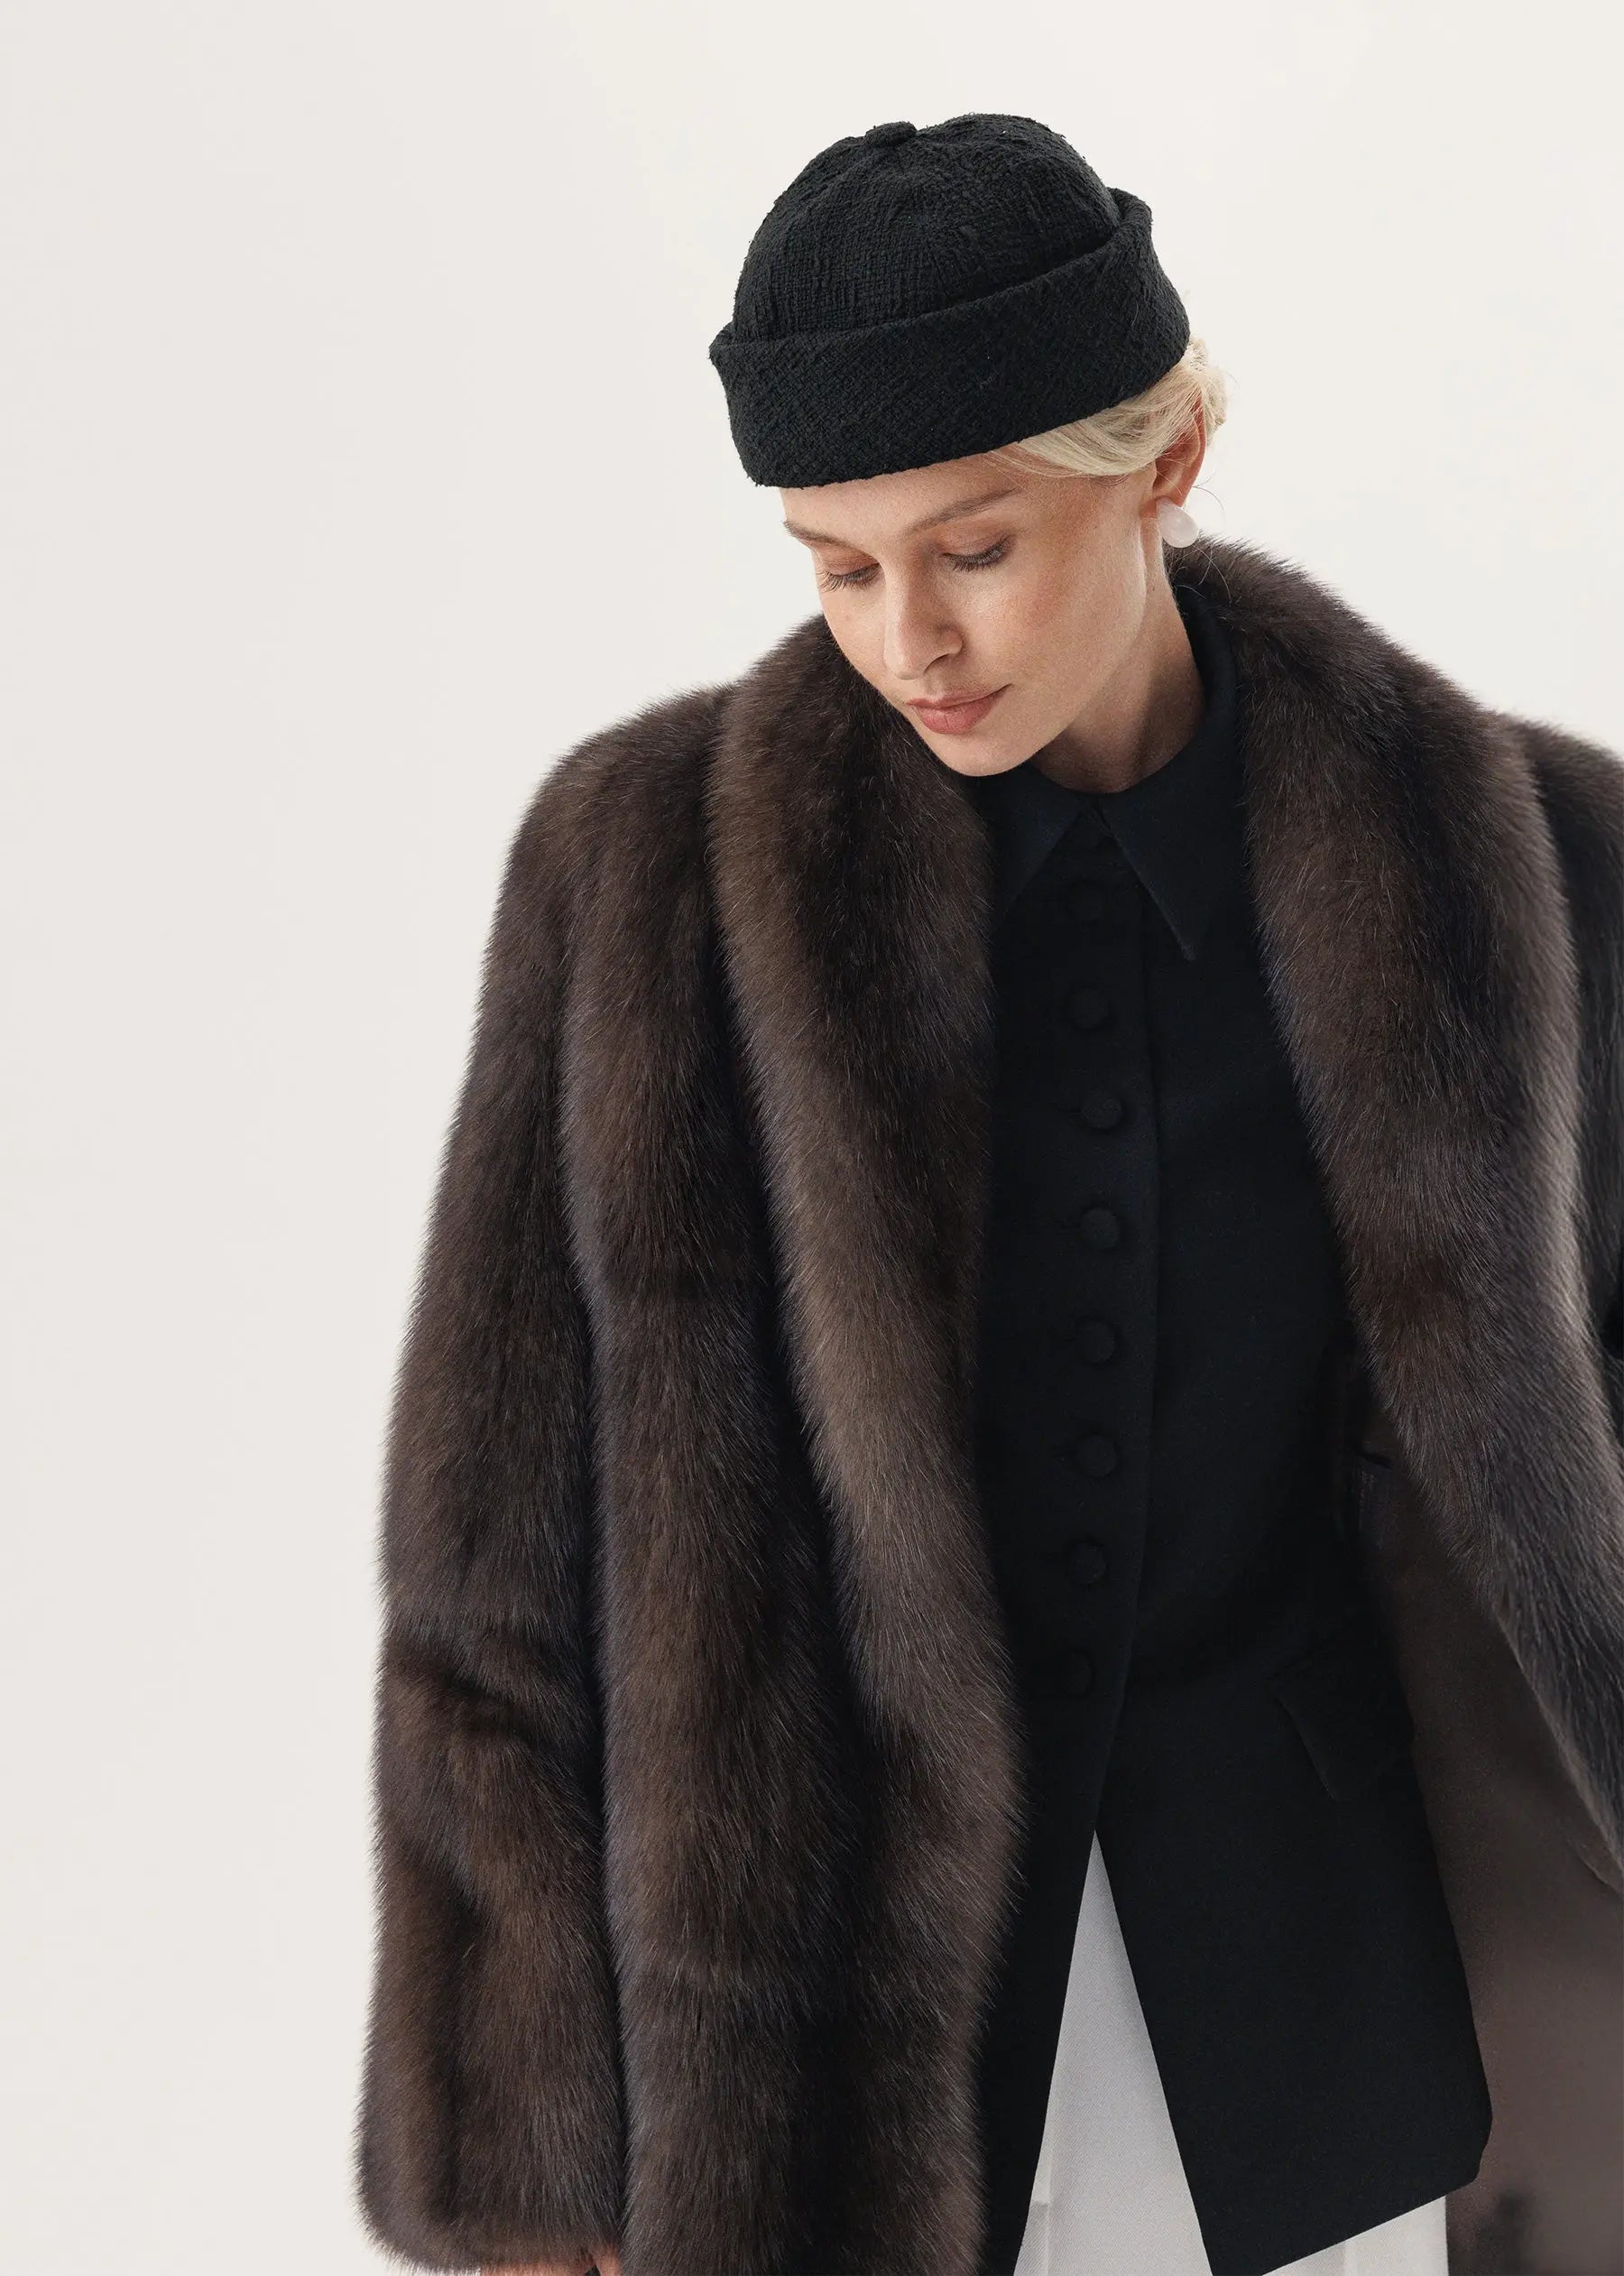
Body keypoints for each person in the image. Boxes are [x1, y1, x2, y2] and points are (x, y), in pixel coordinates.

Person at [354, 116, 1624, 2276]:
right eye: (837, 567)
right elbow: (492, 1566)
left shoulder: (1525, 869)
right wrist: (515, 2155)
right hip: (818, 2046)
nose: (910, 639)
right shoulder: (643, 886)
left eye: (972, 547)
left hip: (1336, 2028)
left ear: (1169, 457)